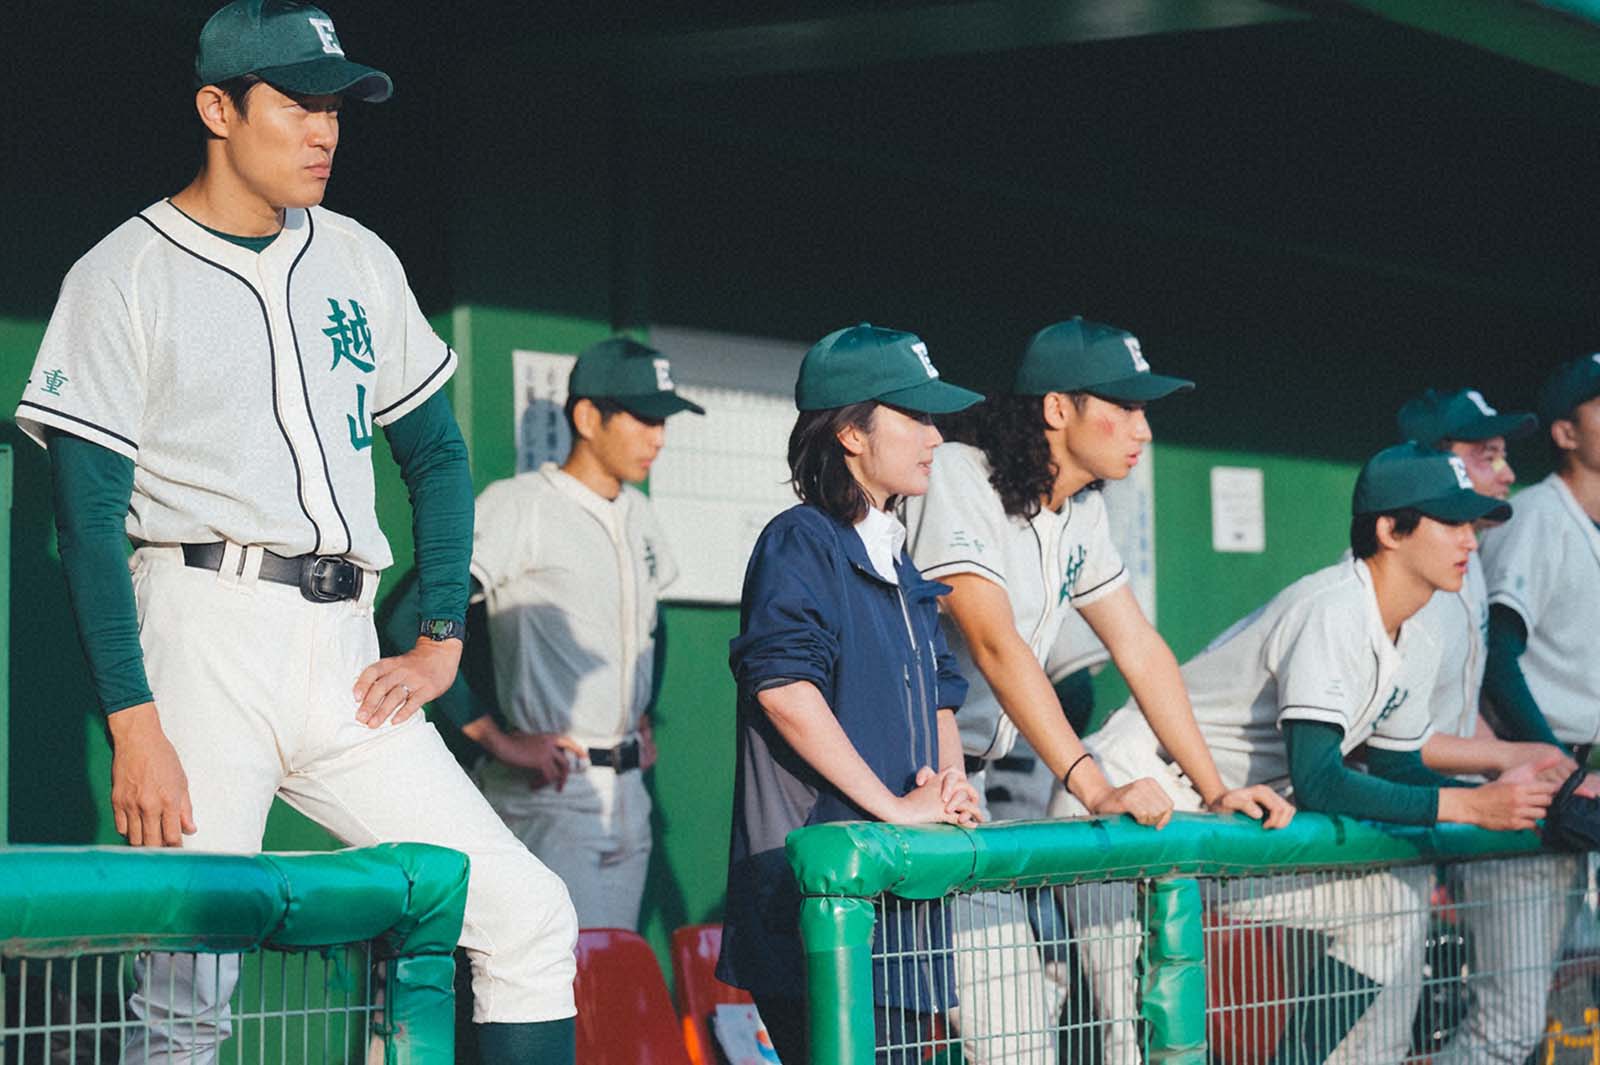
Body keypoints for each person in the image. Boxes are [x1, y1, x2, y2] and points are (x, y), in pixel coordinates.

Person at [14, 3, 577, 1061]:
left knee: (528, 915)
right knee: (185, 996)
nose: (324, 129)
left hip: (346, 648)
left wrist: (441, 632)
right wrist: (135, 725)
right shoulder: (120, 272)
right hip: (201, 629)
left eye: (334, 106)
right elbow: (85, 523)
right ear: (216, 109)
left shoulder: (357, 255)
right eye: (297, 102)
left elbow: (439, 457)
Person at [1068, 442, 1562, 1063]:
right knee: (1130, 1033)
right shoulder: (1334, 608)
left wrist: (1513, 783)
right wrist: (1473, 805)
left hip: (1230, 815)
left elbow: (1396, 767)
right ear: (1390, 529)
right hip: (1135, 787)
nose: (1469, 540)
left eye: (1473, 524)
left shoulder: (1420, 633)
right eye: (1450, 522)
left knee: (1383, 904)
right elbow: (1322, 780)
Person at [902, 318, 1293, 1064]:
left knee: (1019, 1037)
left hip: (966, 794)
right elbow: (993, 641)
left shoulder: (1081, 509)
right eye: (1123, 405)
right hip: (901, 787)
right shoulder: (958, 472)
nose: (1142, 426)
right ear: (1056, 408)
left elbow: (1140, 648)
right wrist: (1093, 782)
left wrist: (1210, 788)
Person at [716, 323, 985, 1064]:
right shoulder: (799, 539)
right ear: (850, 433)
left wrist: (950, 782)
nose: (935, 435)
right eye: (913, 415)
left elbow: (940, 698)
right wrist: (898, 807)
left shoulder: (900, 557)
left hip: (902, 894)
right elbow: (783, 690)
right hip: (823, 901)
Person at [395, 336, 701, 930]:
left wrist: (643, 710)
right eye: (643, 418)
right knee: (549, 989)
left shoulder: (639, 512)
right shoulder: (520, 505)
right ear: (588, 417)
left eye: (663, 420)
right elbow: (410, 615)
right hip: (549, 791)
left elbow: (650, 622)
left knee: (606, 985)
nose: (658, 437)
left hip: (628, 794)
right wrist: (497, 738)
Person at [1396, 387, 1587, 1065]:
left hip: (1441, 808)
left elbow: (1457, 704)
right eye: (1487, 454)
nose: (1507, 472)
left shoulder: (1464, 566)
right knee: (1497, 1031)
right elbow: (1392, 734)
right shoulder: (1402, 580)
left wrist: (1523, 761)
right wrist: (1532, 757)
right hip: (1354, 819)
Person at [1481, 355, 1600, 753]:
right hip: (1542, 758)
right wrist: (1554, 760)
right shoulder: (1536, 516)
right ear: (1567, 434)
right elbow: (1496, 656)